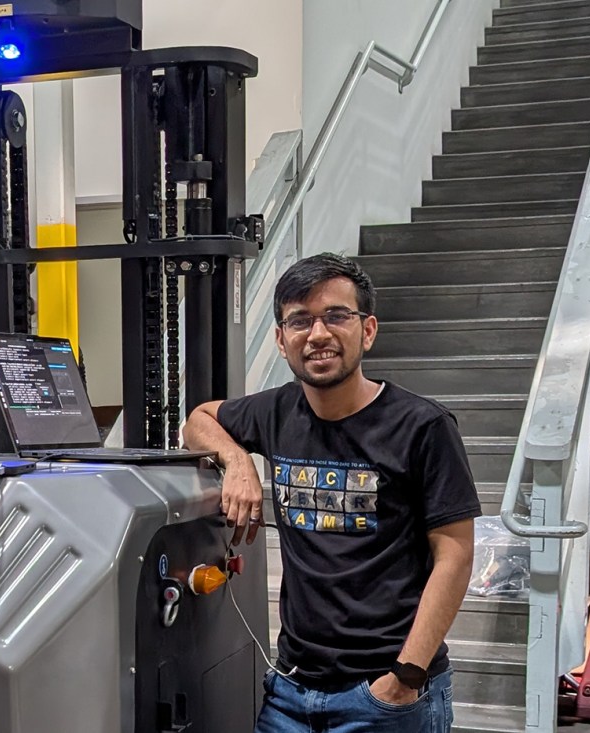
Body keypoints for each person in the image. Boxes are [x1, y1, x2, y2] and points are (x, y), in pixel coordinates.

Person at [182, 253, 480, 732]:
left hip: (387, 694)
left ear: (367, 330)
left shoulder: (423, 426)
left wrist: (404, 676)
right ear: (282, 340)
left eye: (336, 316)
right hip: (290, 692)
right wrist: (238, 461)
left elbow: (456, 555)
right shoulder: (275, 412)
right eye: (299, 320)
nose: (318, 334)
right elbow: (198, 419)